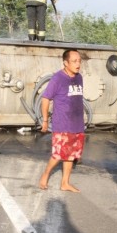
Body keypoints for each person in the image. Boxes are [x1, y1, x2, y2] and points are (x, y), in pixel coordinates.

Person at [38, 49, 84, 192]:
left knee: (71, 154)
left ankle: (65, 183)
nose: (78, 64)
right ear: (66, 63)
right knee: (59, 154)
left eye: (79, 61)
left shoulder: (79, 77)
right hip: (62, 123)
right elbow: (45, 99)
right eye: (74, 61)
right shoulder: (58, 78)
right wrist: (45, 120)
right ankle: (45, 174)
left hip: (77, 124)